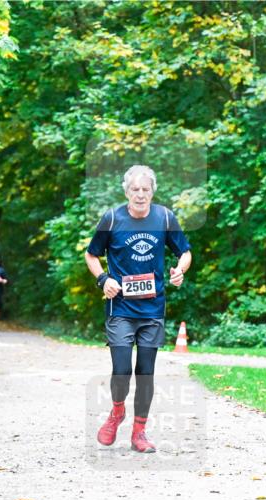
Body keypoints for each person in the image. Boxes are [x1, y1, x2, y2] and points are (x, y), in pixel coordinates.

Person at [85, 165, 192, 453]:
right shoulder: (112, 218)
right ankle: (117, 411)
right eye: (135, 189)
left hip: (152, 310)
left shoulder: (165, 217)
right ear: (126, 191)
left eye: (145, 189)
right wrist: (103, 278)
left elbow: (185, 251)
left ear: (152, 191)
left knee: (146, 372)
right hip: (119, 307)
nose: (140, 194)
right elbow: (91, 254)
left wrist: (180, 269)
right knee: (121, 370)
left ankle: (139, 433)